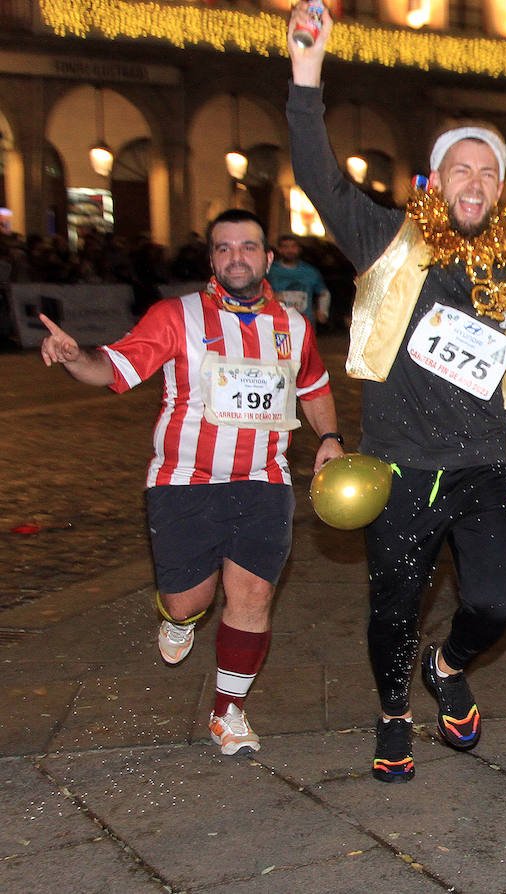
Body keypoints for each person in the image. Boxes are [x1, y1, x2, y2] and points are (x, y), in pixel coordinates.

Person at [286, 3, 506, 783]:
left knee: (496, 603)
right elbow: (317, 172)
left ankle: (447, 667)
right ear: (437, 179)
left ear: (499, 189)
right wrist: (306, 74)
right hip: (403, 468)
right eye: (462, 168)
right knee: (393, 609)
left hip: (483, 467)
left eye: (488, 172)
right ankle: (391, 715)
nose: (474, 183)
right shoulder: (389, 242)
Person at [38, 208, 343, 756]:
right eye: (224, 249)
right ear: (211, 260)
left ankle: (229, 712)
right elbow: (114, 367)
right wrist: (74, 357)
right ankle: (176, 619)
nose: (237, 258)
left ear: (267, 258)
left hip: (264, 480)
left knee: (251, 597)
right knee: (187, 602)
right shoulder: (176, 315)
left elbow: (314, 386)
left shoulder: (292, 326)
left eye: (248, 247)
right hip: (184, 480)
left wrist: (329, 437)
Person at [267, 234, 331, 327]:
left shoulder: (310, 271)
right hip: (277, 323)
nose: (290, 250)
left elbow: (323, 292)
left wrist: (323, 311)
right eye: (285, 247)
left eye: (293, 246)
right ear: (279, 249)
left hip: (305, 324)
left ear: (299, 249)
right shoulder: (270, 271)